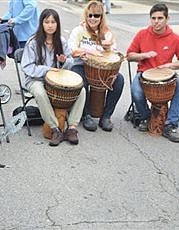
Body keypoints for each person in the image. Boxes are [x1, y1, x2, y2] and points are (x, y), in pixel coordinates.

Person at [21, 8, 86, 146]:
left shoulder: (61, 41)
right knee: (40, 92)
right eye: (47, 22)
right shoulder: (32, 42)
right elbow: (27, 67)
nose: (50, 25)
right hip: (36, 79)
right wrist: (48, 70)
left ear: (57, 24)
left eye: (53, 22)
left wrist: (64, 61)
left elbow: (70, 62)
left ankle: (72, 128)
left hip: (57, 80)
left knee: (82, 90)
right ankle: (55, 128)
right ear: (42, 24)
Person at [127, 3, 179, 143]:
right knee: (135, 90)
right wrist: (144, 55)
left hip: (166, 75)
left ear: (167, 19)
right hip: (144, 73)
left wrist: (171, 65)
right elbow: (129, 55)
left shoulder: (175, 38)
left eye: (160, 18)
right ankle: (146, 117)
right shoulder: (142, 34)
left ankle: (170, 125)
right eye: (153, 18)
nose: (156, 21)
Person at [68, 0, 124, 132]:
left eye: (96, 15)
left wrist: (108, 47)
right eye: (90, 15)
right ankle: (85, 115)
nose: (93, 18)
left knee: (119, 80)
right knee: (81, 81)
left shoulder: (106, 33)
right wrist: (88, 51)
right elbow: (71, 50)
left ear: (101, 17)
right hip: (81, 65)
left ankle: (106, 116)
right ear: (86, 16)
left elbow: (114, 53)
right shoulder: (79, 30)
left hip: (103, 69)